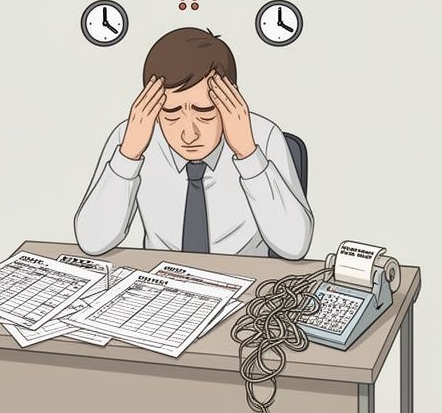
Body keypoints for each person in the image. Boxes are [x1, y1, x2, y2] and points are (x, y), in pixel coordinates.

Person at [74, 27, 313, 260]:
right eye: (171, 113)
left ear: (232, 99)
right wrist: (128, 156)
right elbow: (92, 242)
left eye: (205, 112)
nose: (189, 134)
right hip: (164, 284)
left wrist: (248, 154)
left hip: (245, 284)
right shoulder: (133, 135)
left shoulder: (263, 135)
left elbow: (294, 247)